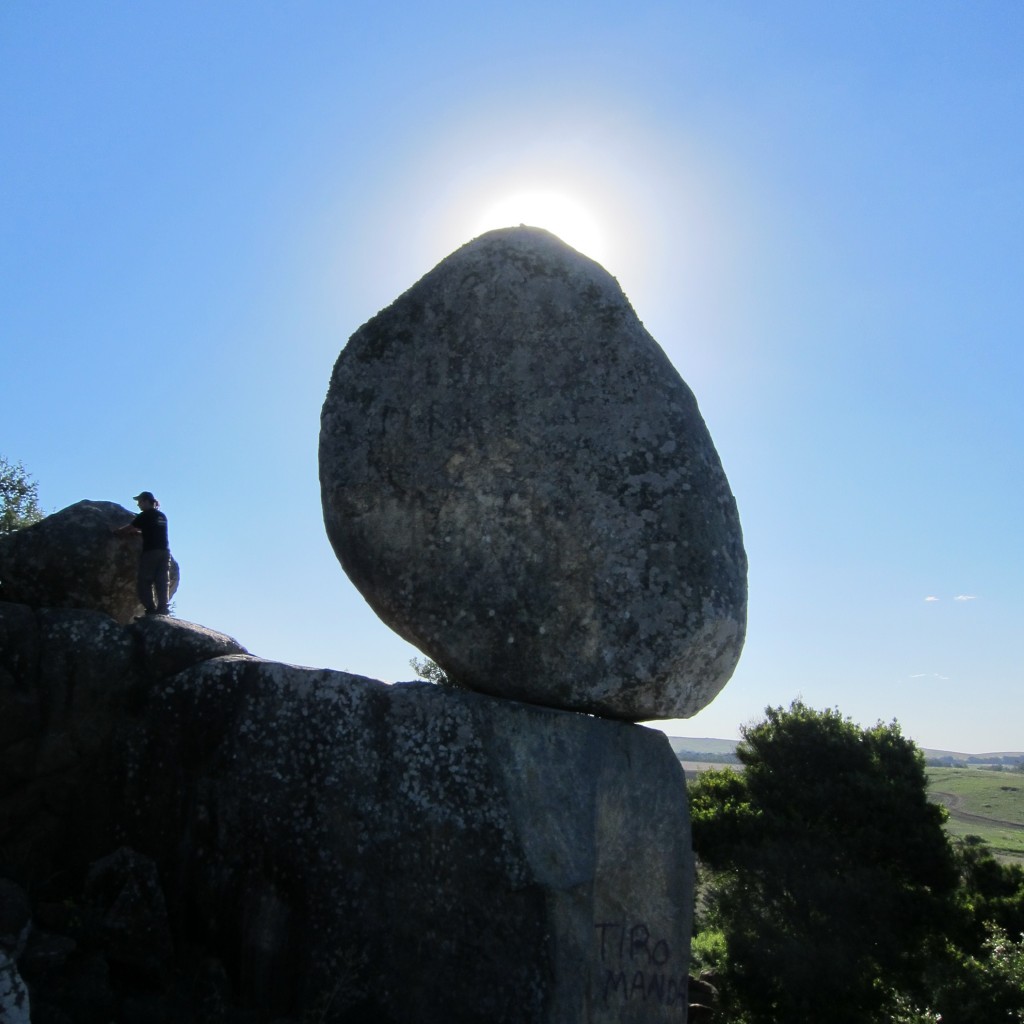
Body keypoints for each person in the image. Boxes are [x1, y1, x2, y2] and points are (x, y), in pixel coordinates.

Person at [114, 490, 172, 616]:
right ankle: (163, 609)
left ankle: (150, 610)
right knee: (162, 581)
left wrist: (115, 532)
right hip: (164, 552)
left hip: (151, 552)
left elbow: (128, 528)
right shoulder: (161, 516)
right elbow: (153, 530)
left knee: (144, 582)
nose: (138, 505)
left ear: (146, 501)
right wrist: (140, 533)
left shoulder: (145, 515)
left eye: (140, 502)